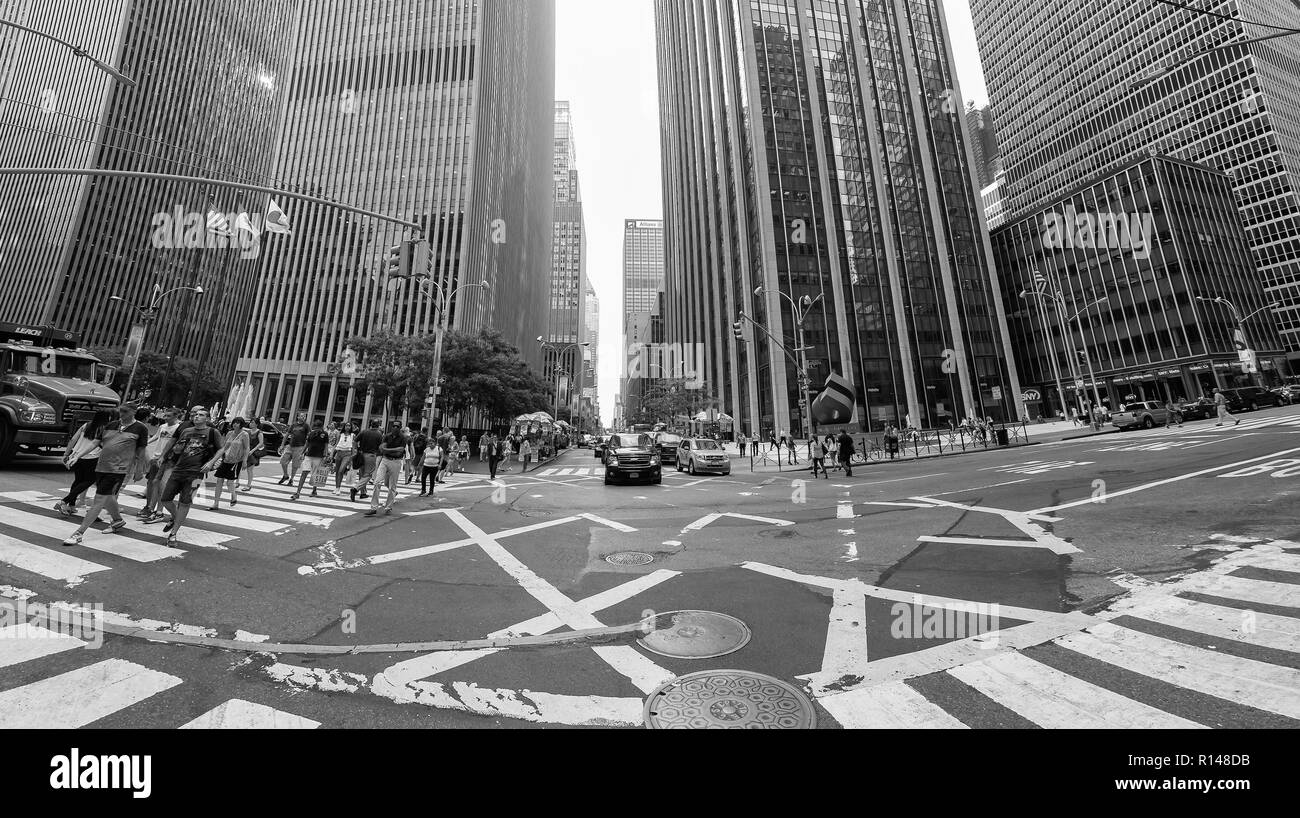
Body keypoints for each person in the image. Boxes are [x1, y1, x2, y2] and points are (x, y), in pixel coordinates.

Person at [62, 403, 149, 547]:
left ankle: (79, 533)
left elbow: (141, 450)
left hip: (118, 469)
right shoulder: (111, 425)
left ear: (134, 411)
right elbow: (96, 442)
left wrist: (140, 469)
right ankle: (117, 520)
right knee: (107, 496)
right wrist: (78, 455)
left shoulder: (141, 428)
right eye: (120, 411)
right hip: (102, 466)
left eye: (125, 411)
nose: (121, 413)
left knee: (99, 499)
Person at [151, 408, 223, 544]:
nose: (196, 417)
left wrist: (211, 462)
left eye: (201, 415)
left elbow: (221, 448)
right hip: (178, 469)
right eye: (195, 415)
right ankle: (175, 517)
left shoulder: (213, 432)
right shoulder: (186, 431)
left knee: (185, 502)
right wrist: (174, 450)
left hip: (197, 473)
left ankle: (173, 533)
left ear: (207, 419)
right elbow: (178, 448)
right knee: (165, 499)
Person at [56, 409, 111, 517]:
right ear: (107, 418)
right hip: (92, 457)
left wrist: (66, 454)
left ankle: (71, 505)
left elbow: (73, 439)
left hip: (76, 456)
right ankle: (64, 501)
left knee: (78, 480)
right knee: (89, 480)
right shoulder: (104, 429)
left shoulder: (86, 425)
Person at [139, 407, 181, 519]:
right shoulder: (162, 426)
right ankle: (149, 507)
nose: (165, 418)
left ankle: (159, 510)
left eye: (169, 416)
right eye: (165, 415)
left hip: (167, 459)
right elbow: (156, 437)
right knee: (152, 482)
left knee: (162, 485)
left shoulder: (178, 428)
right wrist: (144, 443)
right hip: (156, 457)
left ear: (176, 416)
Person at [365, 421, 407, 516]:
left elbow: (400, 452)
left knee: (392, 486)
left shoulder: (403, 438)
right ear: (391, 427)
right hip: (385, 460)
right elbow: (381, 448)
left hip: (396, 462)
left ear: (400, 428)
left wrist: (387, 450)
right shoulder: (387, 436)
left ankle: (388, 507)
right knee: (377, 482)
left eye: (397, 426)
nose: (395, 427)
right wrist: (393, 450)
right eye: (394, 426)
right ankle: (373, 507)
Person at [210, 417, 249, 509]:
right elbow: (224, 446)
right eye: (234, 422)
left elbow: (246, 448)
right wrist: (217, 458)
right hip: (226, 460)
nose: (235, 424)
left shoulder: (244, 434)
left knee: (230, 482)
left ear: (241, 424)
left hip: (236, 461)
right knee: (219, 480)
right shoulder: (229, 433)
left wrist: (244, 460)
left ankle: (234, 495)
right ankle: (216, 503)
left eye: (238, 423)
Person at [291, 419, 330, 500]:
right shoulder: (311, 433)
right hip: (309, 455)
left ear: (321, 427)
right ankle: (298, 492)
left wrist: (326, 456)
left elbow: (326, 446)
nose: (316, 429)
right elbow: (307, 444)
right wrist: (302, 453)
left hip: (319, 456)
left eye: (317, 427)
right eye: (315, 427)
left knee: (315, 474)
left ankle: (314, 490)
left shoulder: (325, 434)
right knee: (304, 473)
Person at [355, 419, 384, 500]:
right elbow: (381, 447)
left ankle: (363, 492)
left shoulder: (364, 431)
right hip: (371, 455)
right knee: (368, 474)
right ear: (378, 425)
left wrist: (357, 449)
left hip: (361, 454)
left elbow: (355, 440)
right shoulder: (379, 434)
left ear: (371, 424)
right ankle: (356, 488)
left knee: (362, 473)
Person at [278, 412, 309, 484]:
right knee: (283, 461)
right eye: (302, 416)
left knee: (295, 464)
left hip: (300, 447)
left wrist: (306, 448)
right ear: (298, 417)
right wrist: (282, 445)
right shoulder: (293, 425)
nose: (303, 417)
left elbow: (309, 437)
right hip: (290, 445)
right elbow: (287, 435)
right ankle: (285, 475)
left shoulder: (306, 426)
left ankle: (291, 479)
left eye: (304, 416)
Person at [332, 422, 357, 495]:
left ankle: (338, 488)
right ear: (344, 427)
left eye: (349, 426)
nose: (348, 427)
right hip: (339, 452)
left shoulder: (353, 435)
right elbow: (336, 444)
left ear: (351, 427)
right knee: (337, 471)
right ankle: (337, 488)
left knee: (341, 470)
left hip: (347, 454)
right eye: (346, 425)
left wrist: (352, 458)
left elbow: (353, 447)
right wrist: (332, 454)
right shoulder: (340, 434)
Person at [241, 416, 264, 492]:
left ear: (257, 424)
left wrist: (252, 451)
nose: (251, 423)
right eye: (250, 422)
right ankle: (237, 482)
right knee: (240, 466)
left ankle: (248, 485)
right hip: (246, 451)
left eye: (253, 422)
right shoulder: (248, 431)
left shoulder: (259, 432)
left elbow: (261, 443)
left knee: (249, 469)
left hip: (254, 453)